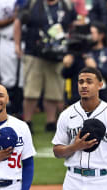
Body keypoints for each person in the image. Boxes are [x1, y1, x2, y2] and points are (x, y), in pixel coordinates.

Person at [15, 0, 78, 132]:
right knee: (31, 90)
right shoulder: (33, 4)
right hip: (34, 52)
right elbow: (18, 22)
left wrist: (71, 50)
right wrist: (17, 45)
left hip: (58, 54)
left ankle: (51, 122)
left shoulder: (66, 5)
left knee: (54, 91)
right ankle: (27, 121)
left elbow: (74, 26)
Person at [61, 23, 107, 105]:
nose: (88, 36)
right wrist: (67, 65)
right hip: (78, 100)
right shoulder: (80, 52)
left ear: (101, 35)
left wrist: (96, 69)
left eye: (91, 33)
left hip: (103, 99)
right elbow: (65, 75)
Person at [0, 0, 22, 111]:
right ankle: (8, 108)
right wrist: (13, 18)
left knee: (24, 79)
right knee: (7, 78)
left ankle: (20, 109)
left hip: (26, 41)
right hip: (6, 40)